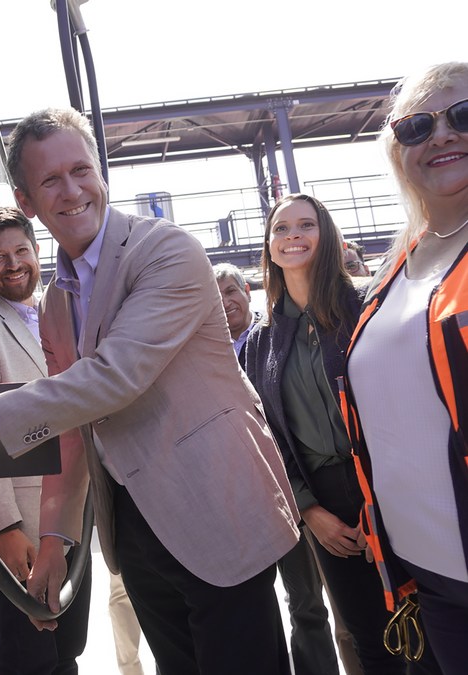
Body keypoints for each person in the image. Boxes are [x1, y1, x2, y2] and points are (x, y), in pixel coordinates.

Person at [0, 107, 300, 675]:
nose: (71, 191)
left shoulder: (168, 252)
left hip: (217, 513)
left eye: (80, 170)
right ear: (26, 201)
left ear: (101, 171)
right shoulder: (57, 303)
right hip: (135, 531)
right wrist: (52, 543)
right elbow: (73, 429)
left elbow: (111, 380)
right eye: (50, 181)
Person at [244, 193, 433, 674]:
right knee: (369, 637)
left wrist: (385, 501)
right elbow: (270, 438)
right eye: (281, 229)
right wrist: (308, 510)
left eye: (305, 225)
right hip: (324, 501)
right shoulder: (261, 339)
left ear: (326, 236)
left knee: (428, 624)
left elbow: (404, 404)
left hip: (391, 485)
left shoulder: (367, 305)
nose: (293, 236)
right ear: (268, 246)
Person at [343, 62, 468, 675]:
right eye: (418, 126)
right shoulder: (399, 265)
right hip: (428, 577)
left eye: (463, 116)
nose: (442, 135)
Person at [0, 205, 91, 674]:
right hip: (25, 532)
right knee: (29, 659)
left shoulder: (60, 317)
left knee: (68, 651)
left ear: (36, 251)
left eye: (21, 251)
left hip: (73, 520)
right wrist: (4, 531)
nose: (13, 264)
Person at [214, 263, 339, 675]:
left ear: (247, 291)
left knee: (317, 602)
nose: (225, 301)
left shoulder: (274, 339)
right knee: (275, 604)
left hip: (297, 489)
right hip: (245, 501)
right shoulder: (208, 356)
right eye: (215, 296)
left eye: (231, 290)